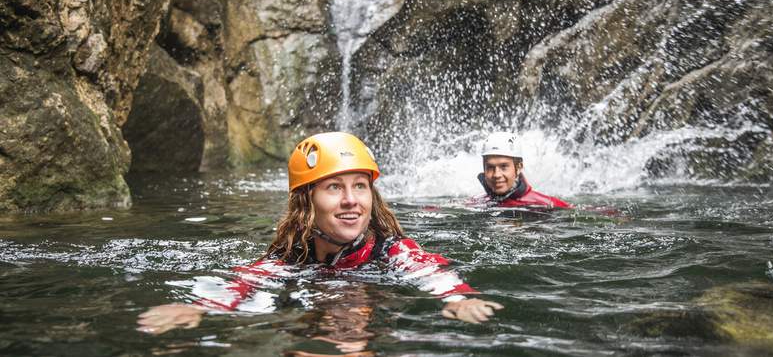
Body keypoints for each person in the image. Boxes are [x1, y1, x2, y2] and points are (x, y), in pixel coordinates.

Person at [138, 132, 503, 336]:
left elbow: (429, 269)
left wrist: (458, 297)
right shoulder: (292, 256)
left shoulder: (391, 250)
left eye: (360, 186)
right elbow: (247, 280)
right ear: (306, 200)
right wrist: (199, 306)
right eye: (333, 188)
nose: (350, 201)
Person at [475, 131, 572, 209]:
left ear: (518, 168)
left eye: (504, 167)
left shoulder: (547, 205)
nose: (496, 174)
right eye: (490, 167)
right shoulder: (476, 203)